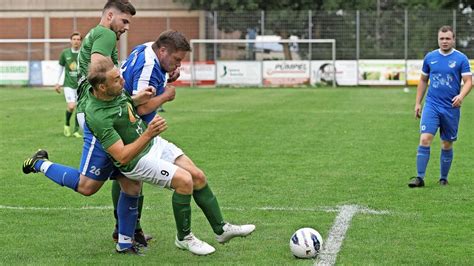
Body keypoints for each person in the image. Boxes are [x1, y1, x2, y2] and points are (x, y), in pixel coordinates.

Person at [85, 56, 255, 256]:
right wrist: (149, 133)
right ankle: (184, 238)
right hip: (136, 159)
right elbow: (121, 157)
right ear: (102, 88)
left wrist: (139, 97)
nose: (122, 81)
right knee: (185, 181)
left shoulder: (113, 92)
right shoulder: (97, 115)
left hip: (151, 143)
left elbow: (123, 104)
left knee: (198, 176)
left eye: (119, 76)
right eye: (116, 80)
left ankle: (221, 229)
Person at [22, 0, 148, 255]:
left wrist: (130, 100)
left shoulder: (98, 33)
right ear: (110, 15)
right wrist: (125, 99)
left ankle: (125, 242)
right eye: (124, 21)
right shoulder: (104, 34)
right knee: (87, 186)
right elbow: (101, 73)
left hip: (107, 111)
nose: (126, 27)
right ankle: (39, 163)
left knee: (131, 181)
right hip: (98, 114)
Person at [408, 25, 472, 188]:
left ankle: (443, 178)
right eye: (442, 38)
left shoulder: (461, 59)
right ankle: (419, 178)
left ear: (453, 39)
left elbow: (469, 82)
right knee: (425, 138)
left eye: (447, 38)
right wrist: (417, 103)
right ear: (438, 39)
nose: (444, 41)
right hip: (432, 105)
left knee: (446, 144)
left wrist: (461, 96)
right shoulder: (430, 57)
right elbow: (423, 80)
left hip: (451, 107)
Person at [55, 31, 82, 138]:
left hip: (80, 85)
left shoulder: (83, 53)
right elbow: (60, 68)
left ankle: (76, 130)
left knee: (79, 108)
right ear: (70, 41)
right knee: (71, 106)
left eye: (78, 39)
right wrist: (57, 82)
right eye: (74, 39)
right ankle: (67, 124)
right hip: (68, 85)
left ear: (81, 41)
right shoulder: (65, 53)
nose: (76, 41)